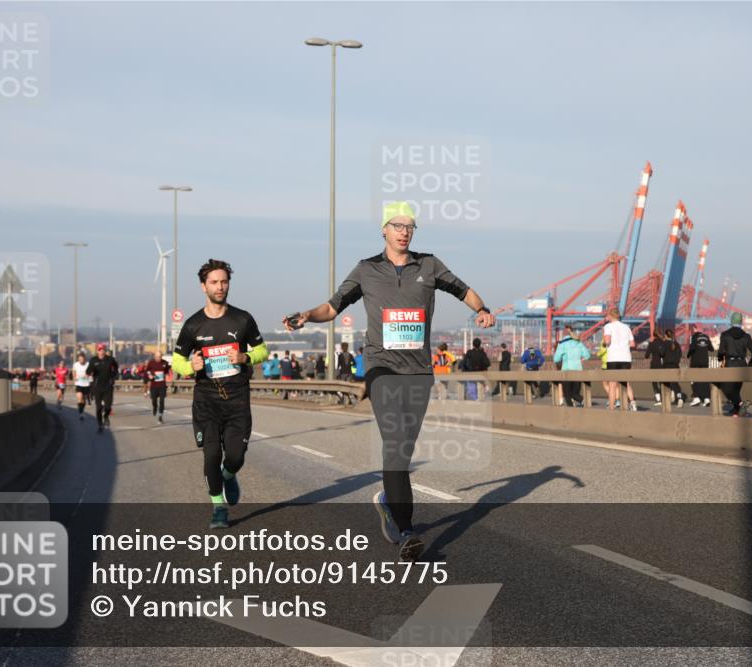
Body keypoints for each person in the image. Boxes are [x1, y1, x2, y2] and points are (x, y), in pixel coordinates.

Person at [283, 200, 495, 562]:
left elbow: (464, 290)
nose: (403, 232)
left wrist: (482, 309)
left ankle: (387, 502)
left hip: (419, 372)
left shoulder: (429, 265)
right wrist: (306, 315)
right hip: (381, 368)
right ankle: (408, 530)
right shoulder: (367, 269)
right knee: (395, 444)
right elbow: (332, 307)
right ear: (384, 229)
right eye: (397, 225)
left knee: (404, 450)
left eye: (409, 226)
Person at [171, 258, 269, 529]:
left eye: (224, 282)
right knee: (212, 455)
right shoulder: (193, 325)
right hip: (206, 401)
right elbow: (176, 360)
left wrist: (245, 357)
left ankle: (228, 475)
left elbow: (263, 351)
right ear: (203, 286)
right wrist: (190, 366)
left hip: (237, 399)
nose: (220, 287)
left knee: (235, 457)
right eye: (214, 282)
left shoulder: (243, 319)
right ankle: (218, 508)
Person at [717, 312, 752, 417]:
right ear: (741, 321)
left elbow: (721, 352)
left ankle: (740, 404)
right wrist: (750, 365)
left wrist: (720, 359)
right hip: (742, 365)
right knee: (736, 389)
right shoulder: (746, 336)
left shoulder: (725, 335)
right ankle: (737, 411)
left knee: (724, 387)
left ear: (731, 321)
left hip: (730, 364)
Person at [603, 307, 637, 411]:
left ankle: (611, 408)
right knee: (626, 382)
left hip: (613, 358)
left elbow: (607, 341)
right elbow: (632, 344)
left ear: (610, 316)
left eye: (607, 315)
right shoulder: (626, 327)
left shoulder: (608, 326)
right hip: (626, 358)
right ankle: (633, 403)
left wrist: (604, 343)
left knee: (612, 384)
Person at [553, 325, 590, 407]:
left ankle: (572, 410)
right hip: (578, 370)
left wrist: (562, 358)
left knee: (567, 395)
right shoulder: (578, 342)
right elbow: (587, 355)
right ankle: (585, 402)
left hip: (567, 371)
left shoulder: (562, 344)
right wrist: (580, 360)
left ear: (564, 334)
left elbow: (556, 359)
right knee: (575, 393)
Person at [87, 343, 119, 433]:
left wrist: (113, 376)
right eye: (99, 350)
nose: (101, 352)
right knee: (99, 408)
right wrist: (91, 371)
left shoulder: (110, 359)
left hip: (108, 386)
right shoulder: (93, 360)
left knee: (108, 406)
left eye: (103, 350)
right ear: (97, 351)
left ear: (105, 351)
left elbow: (116, 368)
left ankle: (106, 416)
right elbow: (88, 371)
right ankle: (100, 425)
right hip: (97, 387)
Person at [687, 324, 714, 407]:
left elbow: (692, 348)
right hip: (705, 361)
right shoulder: (706, 337)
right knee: (705, 380)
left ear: (694, 329)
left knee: (693, 379)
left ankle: (696, 397)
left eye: (691, 330)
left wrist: (688, 355)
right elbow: (711, 349)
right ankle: (707, 398)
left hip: (695, 362)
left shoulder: (694, 337)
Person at [144, 351, 171, 424]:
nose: (158, 358)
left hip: (162, 385)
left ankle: (160, 416)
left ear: (161, 356)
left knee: (162, 401)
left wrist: (167, 374)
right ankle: (155, 407)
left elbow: (167, 371)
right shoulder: (151, 363)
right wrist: (150, 375)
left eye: (160, 357)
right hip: (154, 385)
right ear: (154, 357)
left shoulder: (165, 363)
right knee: (154, 400)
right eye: (157, 357)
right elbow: (146, 371)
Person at [661, 328, 684, 407]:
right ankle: (679, 398)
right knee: (675, 383)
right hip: (675, 366)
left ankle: (668, 399)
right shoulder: (676, 344)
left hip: (667, 366)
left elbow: (661, 353)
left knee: (667, 383)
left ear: (665, 335)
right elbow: (680, 355)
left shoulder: (664, 343)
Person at [645, 330, 665, 406]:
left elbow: (646, 356)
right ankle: (665, 398)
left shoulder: (651, 344)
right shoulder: (663, 343)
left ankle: (658, 399)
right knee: (662, 382)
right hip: (663, 365)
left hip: (654, 365)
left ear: (654, 335)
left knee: (654, 383)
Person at [72, 352, 92, 420]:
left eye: (82, 359)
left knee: (83, 400)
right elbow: (74, 371)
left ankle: (82, 410)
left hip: (86, 384)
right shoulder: (76, 364)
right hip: (78, 383)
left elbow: (92, 372)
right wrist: (74, 377)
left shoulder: (88, 364)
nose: (81, 361)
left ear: (85, 359)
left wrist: (88, 375)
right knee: (79, 397)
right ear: (78, 359)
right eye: (80, 359)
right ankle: (80, 413)